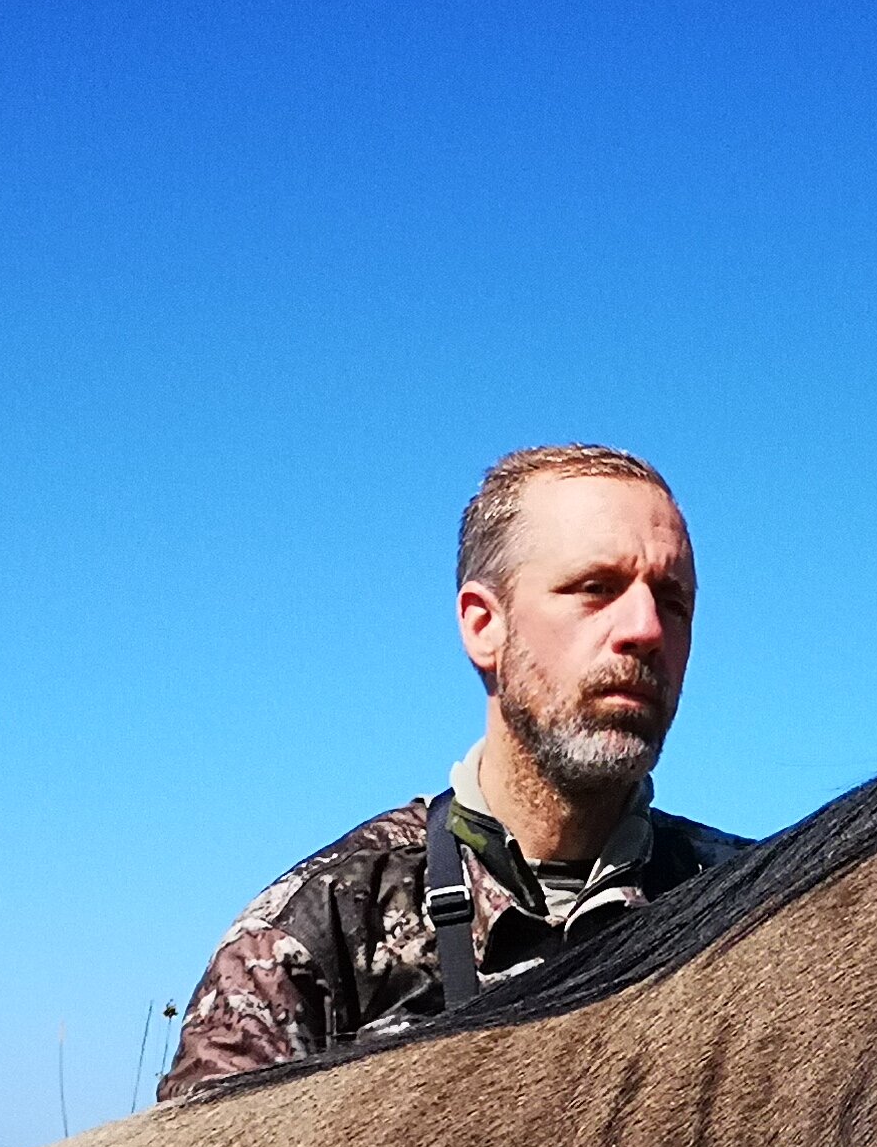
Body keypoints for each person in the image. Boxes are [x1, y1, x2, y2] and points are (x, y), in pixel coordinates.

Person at [157, 445, 743, 1101]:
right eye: (596, 589)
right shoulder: (319, 929)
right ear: (483, 625)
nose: (645, 629)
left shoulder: (750, 911)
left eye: (673, 601)